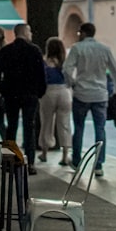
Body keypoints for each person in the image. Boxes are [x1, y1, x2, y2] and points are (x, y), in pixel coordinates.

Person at [64, 22, 116, 177]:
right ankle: (98, 164)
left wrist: (72, 83)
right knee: (100, 129)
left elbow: (67, 68)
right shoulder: (104, 49)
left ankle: (76, 161)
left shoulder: (77, 48)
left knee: (79, 128)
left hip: (81, 94)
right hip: (100, 94)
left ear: (82, 33)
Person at [0, 23, 47, 174]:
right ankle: (30, 162)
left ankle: (10, 160)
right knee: (29, 127)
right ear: (25, 32)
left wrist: (3, 90)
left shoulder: (6, 51)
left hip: (11, 94)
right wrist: (39, 92)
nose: (31, 34)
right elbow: (41, 74)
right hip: (30, 95)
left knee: (11, 127)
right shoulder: (34, 50)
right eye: (29, 31)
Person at [38, 36, 72, 167]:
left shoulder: (44, 61)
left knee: (46, 123)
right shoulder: (65, 62)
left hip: (49, 92)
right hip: (64, 92)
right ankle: (65, 155)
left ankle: (44, 153)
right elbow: (70, 78)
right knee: (64, 124)